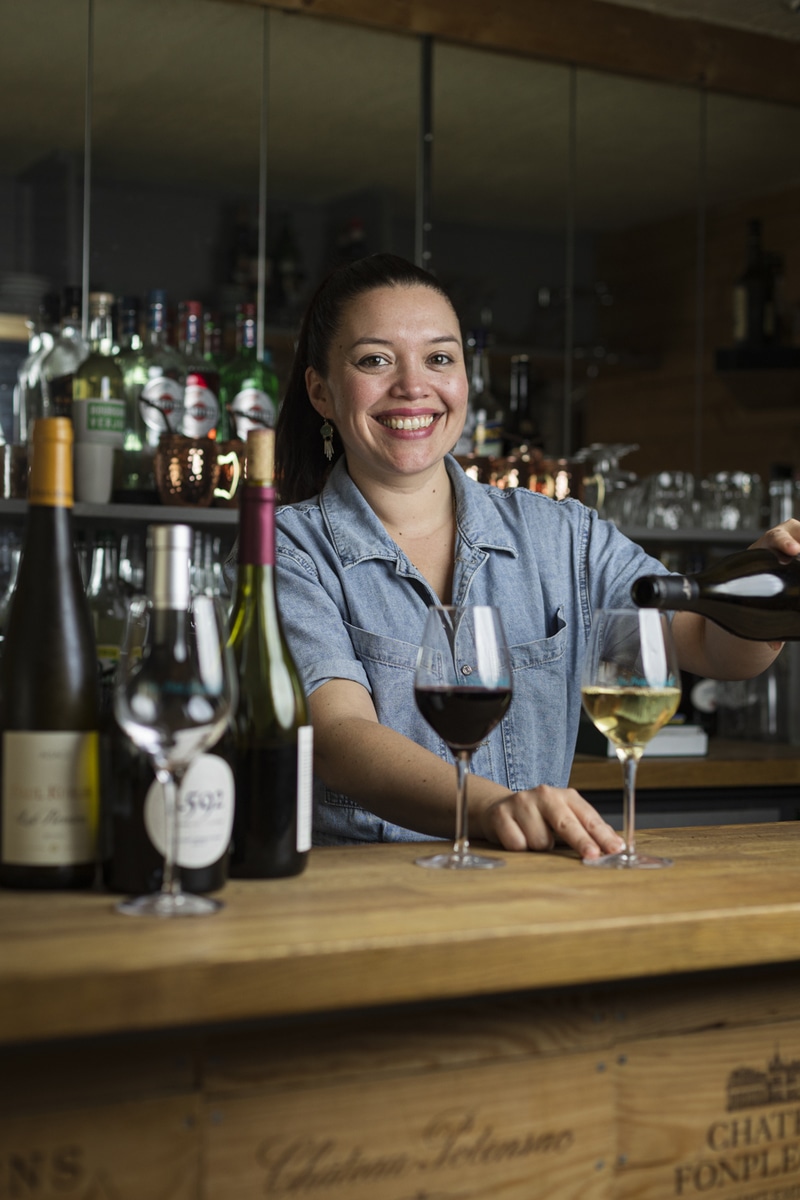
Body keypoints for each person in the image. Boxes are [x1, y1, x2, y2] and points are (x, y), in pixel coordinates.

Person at [273, 252, 792, 859]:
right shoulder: (288, 550)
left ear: (466, 380)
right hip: (366, 900)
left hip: (529, 890)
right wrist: (494, 808)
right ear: (321, 392)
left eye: (439, 358)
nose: (414, 385)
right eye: (375, 360)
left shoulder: (563, 537)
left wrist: (770, 585)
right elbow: (337, 737)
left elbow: (710, 643)